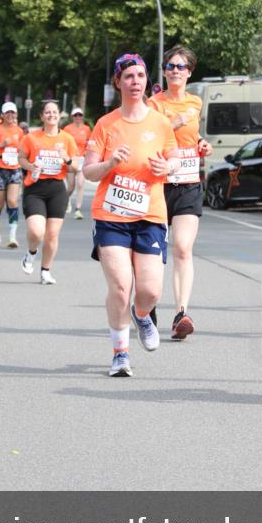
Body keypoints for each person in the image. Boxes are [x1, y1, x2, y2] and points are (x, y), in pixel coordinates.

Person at [83, 53, 179, 377]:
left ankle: (141, 315)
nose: (135, 82)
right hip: (111, 214)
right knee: (121, 286)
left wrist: (168, 167)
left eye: (140, 76)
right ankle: (120, 353)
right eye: (128, 77)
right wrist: (110, 163)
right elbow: (88, 171)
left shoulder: (160, 123)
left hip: (150, 215)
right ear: (118, 82)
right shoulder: (105, 124)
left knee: (150, 291)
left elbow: (175, 158)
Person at [147, 45, 213, 340]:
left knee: (183, 249)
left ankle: (181, 313)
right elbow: (147, 139)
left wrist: (202, 143)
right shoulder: (153, 104)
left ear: (189, 72)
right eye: (170, 66)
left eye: (181, 66)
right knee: (153, 253)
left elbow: (192, 135)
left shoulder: (196, 102)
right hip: (157, 186)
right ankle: (147, 307)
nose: (175, 70)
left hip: (188, 183)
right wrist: (171, 124)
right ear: (164, 71)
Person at [18, 100, 78, 284]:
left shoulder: (67, 139)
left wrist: (66, 158)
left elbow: (75, 167)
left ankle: (45, 271)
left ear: (59, 115)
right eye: (48, 112)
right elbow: (21, 159)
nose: (51, 115)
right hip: (35, 188)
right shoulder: (31, 138)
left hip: (57, 189)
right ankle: (31, 252)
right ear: (42, 116)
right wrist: (30, 165)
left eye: (55, 112)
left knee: (52, 235)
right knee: (36, 232)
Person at [0, 101, 24, 248]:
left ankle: (12, 237)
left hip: (14, 168)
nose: (10, 115)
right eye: (7, 112)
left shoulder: (19, 131)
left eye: (12, 112)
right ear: (2, 115)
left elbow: (24, 149)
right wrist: (2, 145)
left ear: (16, 114)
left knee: (13, 201)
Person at [63, 107, 92, 219]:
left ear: (82, 117)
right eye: (75, 115)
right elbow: (63, 143)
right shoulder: (67, 129)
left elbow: (90, 144)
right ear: (72, 117)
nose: (78, 117)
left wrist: (88, 155)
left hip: (81, 159)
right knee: (70, 187)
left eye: (80, 115)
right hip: (70, 159)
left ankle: (78, 210)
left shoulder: (87, 129)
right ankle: (66, 200)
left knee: (80, 183)